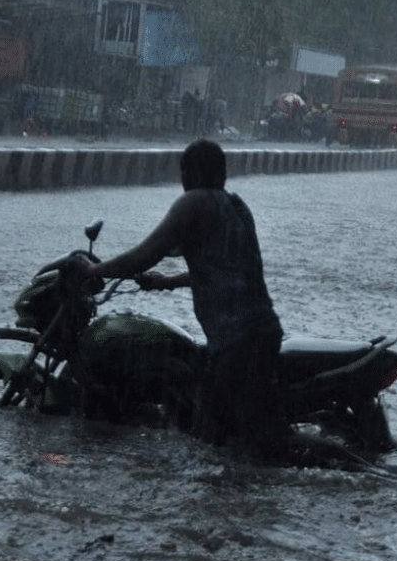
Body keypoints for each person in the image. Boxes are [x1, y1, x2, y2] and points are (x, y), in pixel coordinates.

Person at [74, 138, 292, 462]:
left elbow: (145, 253)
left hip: (237, 341)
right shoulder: (235, 206)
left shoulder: (194, 203)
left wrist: (94, 269)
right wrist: (167, 283)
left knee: (240, 441)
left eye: (183, 171)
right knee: (222, 442)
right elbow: (223, 270)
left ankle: (356, 468)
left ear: (190, 172)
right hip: (258, 332)